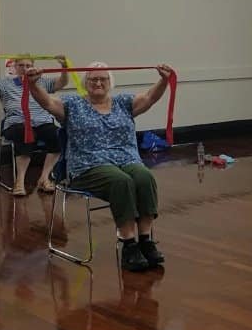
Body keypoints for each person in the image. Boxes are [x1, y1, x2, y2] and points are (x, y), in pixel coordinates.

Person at [27, 61, 173, 272]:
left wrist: (164, 80)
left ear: (110, 82)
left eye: (102, 79)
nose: (98, 83)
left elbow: (150, 97)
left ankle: (145, 241)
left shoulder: (123, 103)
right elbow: (48, 102)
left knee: (144, 177)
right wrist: (33, 85)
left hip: (126, 160)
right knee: (121, 181)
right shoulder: (73, 105)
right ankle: (129, 245)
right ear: (85, 83)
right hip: (87, 166)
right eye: (93, 79)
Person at [0, 54, 69, 196]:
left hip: (42, 122)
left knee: (59, 135)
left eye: (28, 66)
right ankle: (19, 182)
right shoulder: (5, 84)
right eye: (21, 65)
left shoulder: (42, 82)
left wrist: (64, 66)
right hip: (16, 124)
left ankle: (44, 178)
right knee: (26, 133)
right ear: (14, 67)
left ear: (33, 67)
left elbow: (62, 82)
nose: (25, 68)